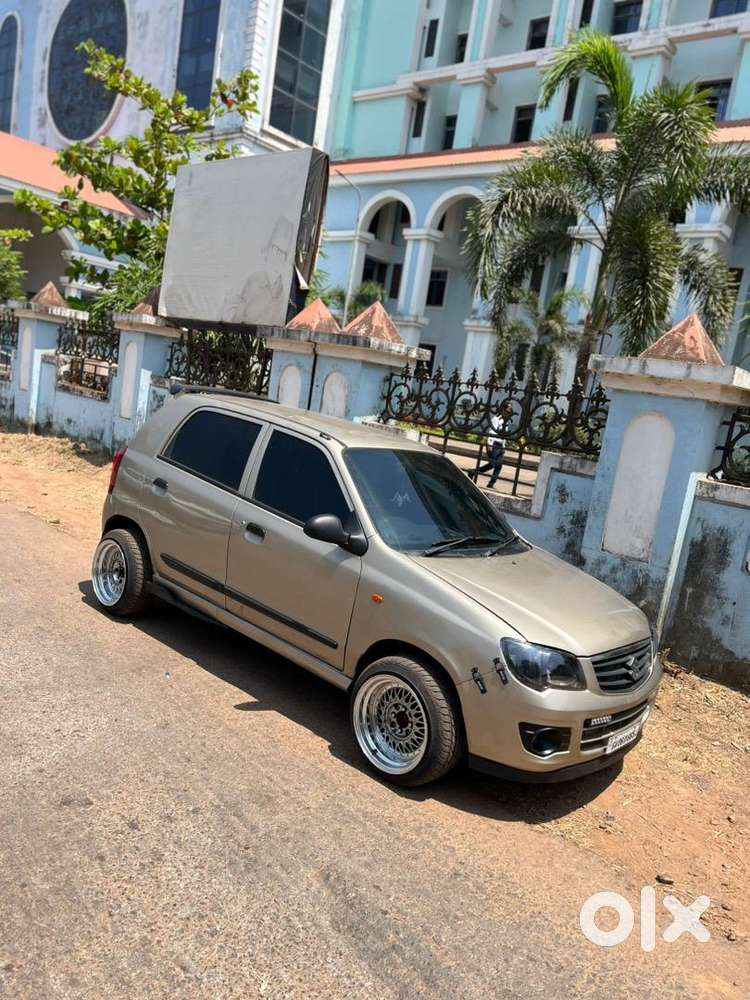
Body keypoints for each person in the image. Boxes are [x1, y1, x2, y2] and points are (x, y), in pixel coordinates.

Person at [473, 400, 514, 490]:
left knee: (497, 465)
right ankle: (474, 473)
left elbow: (503, 435)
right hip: (494, 445)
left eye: (510, 411)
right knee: (495, 464)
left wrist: (503, 447)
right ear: (503, 409)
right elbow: (491, 432)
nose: (509, 412)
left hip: (500, 446)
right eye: (508, 409)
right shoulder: (496, 419)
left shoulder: (505, 420)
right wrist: (490, 444)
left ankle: (489, 482)